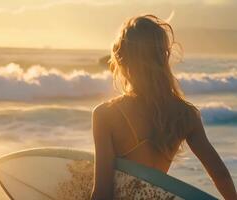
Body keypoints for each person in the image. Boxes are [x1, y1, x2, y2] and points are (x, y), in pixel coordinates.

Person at [90, 14, 237, 200]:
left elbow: (102, 191)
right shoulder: (186, 114)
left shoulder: (105, 115)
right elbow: (220, 174)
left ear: (121, 60)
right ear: (163, 58)